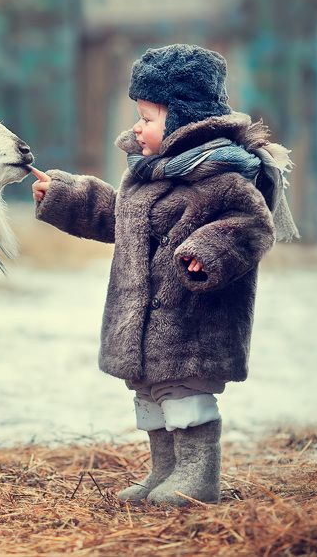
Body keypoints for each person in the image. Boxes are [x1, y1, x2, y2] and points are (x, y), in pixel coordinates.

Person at [31, 44, 298, 505]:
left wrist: (208, 250)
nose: (137, 126)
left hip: (193, 321)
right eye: (139, 114)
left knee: (184, 397)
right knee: (153, 396)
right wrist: (66, 196)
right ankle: (165, 472)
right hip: (144, 323)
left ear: (184, 122)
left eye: (149, 117)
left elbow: (253, 226)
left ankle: (198, 476)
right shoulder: (151, 177)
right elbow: (119, 216)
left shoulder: (223, 177)